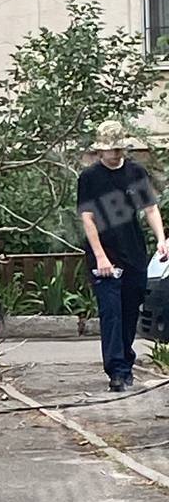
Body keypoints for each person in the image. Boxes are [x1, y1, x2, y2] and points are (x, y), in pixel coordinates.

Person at [78, 120, 168, 391]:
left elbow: (150, 208)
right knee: (111, 313)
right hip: (104, 255)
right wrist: (101, 256)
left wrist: (162, 240)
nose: (115, 154)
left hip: (134, 252)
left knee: (130, 311)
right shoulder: (90, 178)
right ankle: (116, 371)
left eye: (119, 149)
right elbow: (88, 218)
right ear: (99, 151)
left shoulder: (135, 172)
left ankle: (126, 362)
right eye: (110, 150)